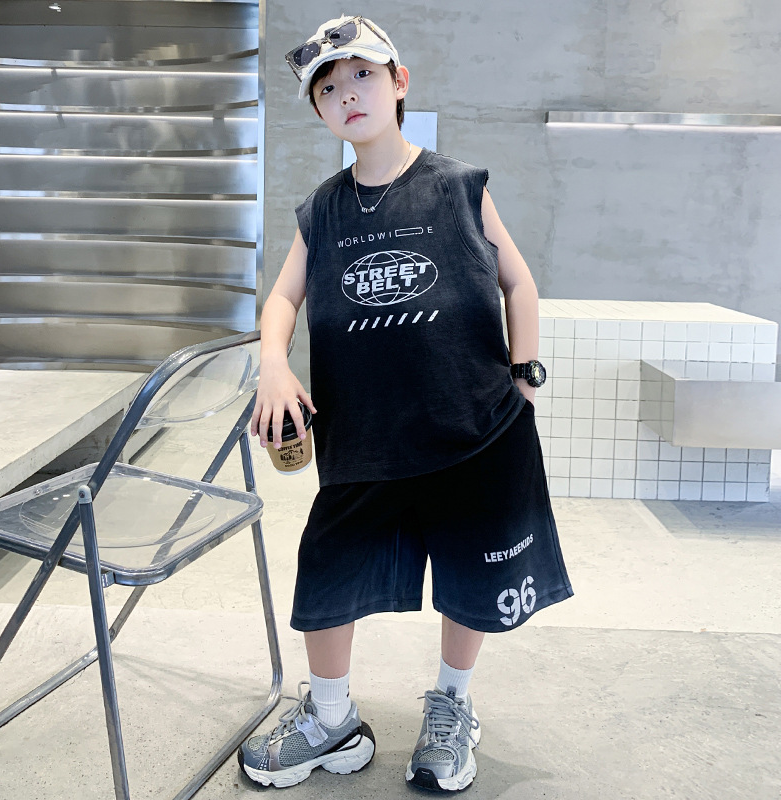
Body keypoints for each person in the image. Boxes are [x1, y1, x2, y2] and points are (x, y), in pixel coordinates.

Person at [237, 14, 573, 793]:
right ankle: (330, 720)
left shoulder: (457, 185)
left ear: (399, 83)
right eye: (327, 88)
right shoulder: (321, 210)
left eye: (361, 75)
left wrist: (524, 375)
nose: (346, 94)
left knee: (472, 577)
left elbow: (517, 280)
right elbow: (282, 299)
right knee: (326, 572)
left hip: (472, 431)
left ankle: (452, 707)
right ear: (319, 111)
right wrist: (273, 363)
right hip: (364, 438)